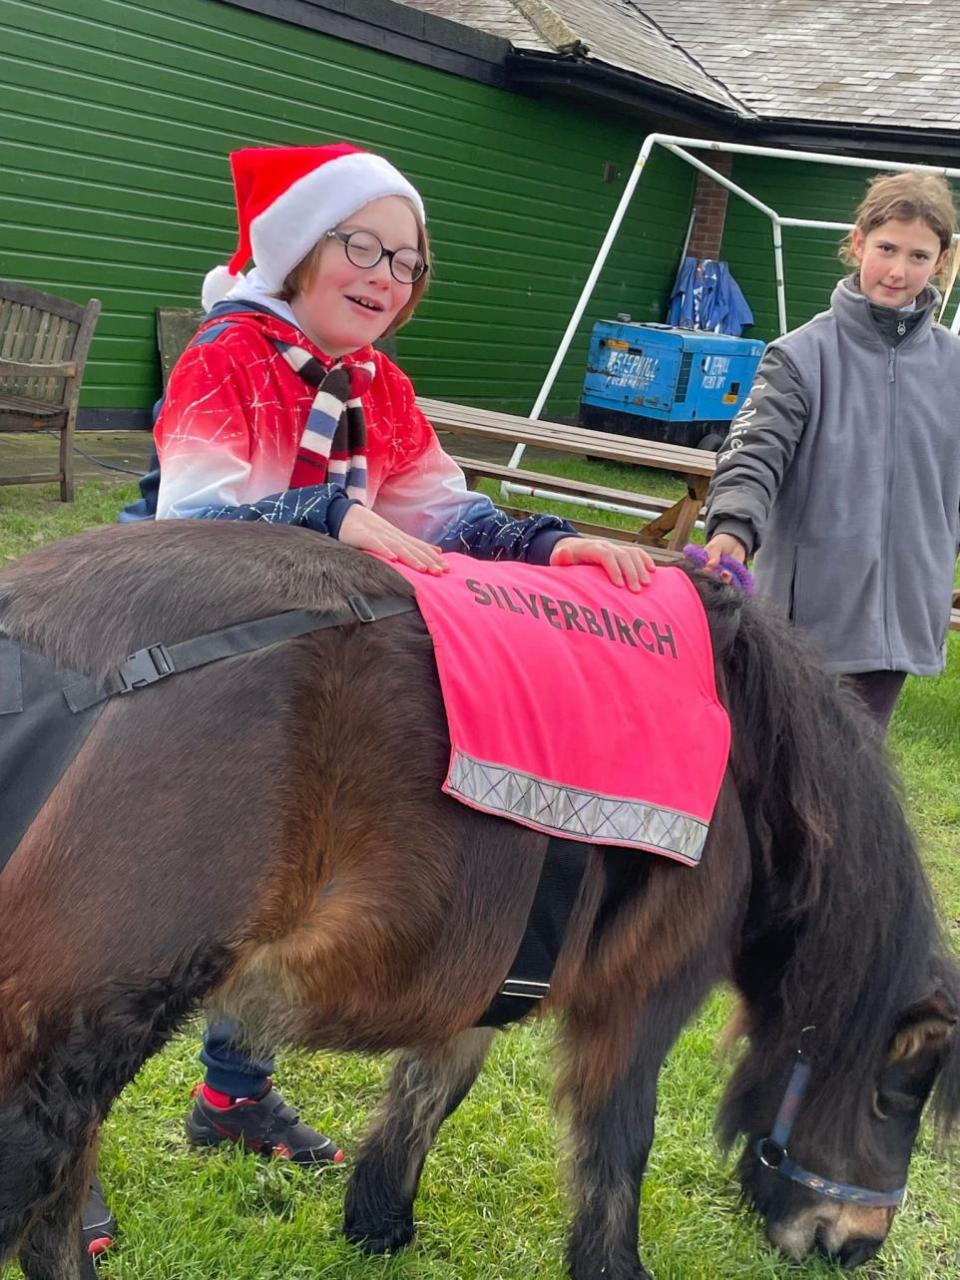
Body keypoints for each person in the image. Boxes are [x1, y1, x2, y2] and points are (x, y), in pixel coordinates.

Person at [85, 141, 656, 1256]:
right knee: (151, 907)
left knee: (295, 879)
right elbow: (197, 521)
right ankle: (69, 1140)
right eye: (363, 245)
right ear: (300, 249)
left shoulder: (376, 387)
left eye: (407, 258)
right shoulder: (228, 357)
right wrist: (333, 517)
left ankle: (232, 1096)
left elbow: (446, 511)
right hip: (191, 643)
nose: (386, 274)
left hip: (308, 659)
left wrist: (553, 544)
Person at [704, 170, 960, 733]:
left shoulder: (954, 366)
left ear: (940, 262)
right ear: (858, 242)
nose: (898, 270)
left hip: (904, 615)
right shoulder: (797, 357)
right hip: (809, 617)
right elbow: (753, 453)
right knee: (776, 774)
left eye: (918, 256)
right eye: (887, 248)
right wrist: (731, 530)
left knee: (857, 782)